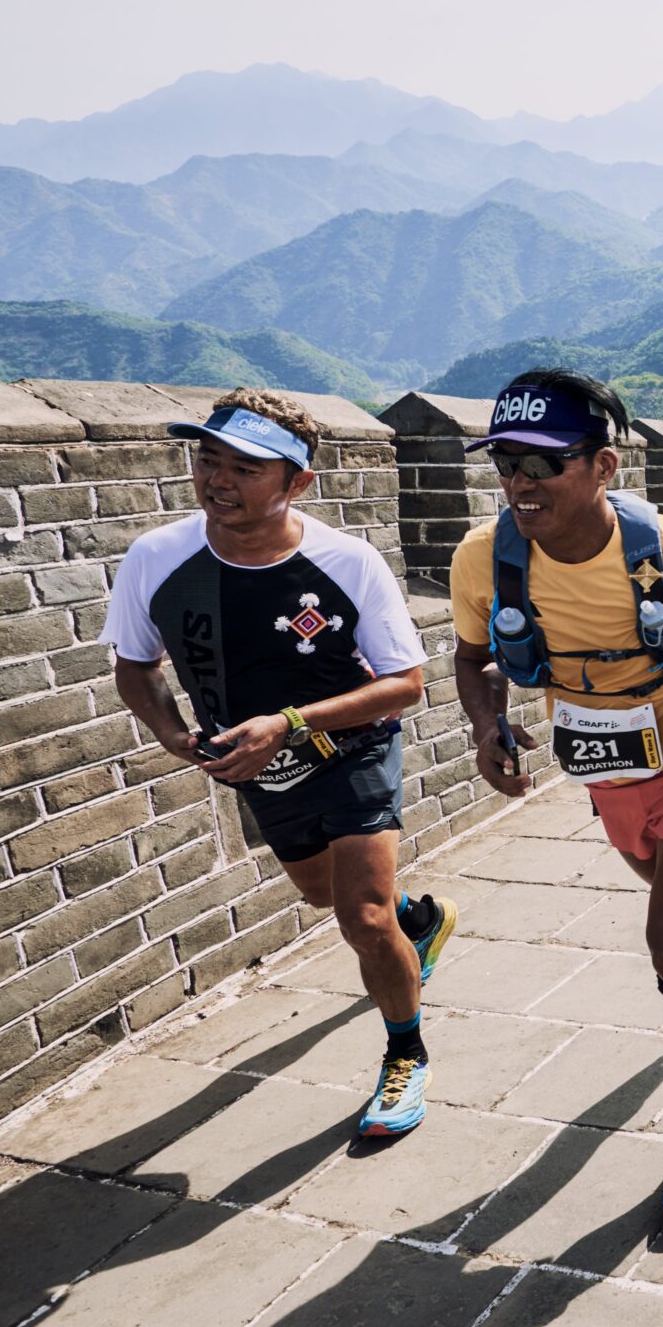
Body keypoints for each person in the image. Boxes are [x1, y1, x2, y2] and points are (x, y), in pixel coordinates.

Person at [450, 369, 663, 1215]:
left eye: (543, 466)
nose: (521, 485)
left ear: (603, 466)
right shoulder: (486, 560)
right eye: (507, 465)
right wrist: (486, 725)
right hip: (602, 766)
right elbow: (468, 656)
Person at [106, 389, 454, 1140]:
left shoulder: (344, 560)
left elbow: (405, 682)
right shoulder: (158, 559)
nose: (217, 479)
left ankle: (405, 1051)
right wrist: (172, 734)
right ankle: (417, 924)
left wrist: (291, 721)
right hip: (257, 768)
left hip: (352, 743)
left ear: (297, 482)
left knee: (359, 917)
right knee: (323, 896)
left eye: (244, 467)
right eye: (208, 459)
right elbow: (135, 666)